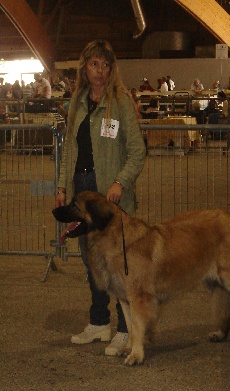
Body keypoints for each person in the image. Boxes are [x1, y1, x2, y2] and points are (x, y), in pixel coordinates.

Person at [55, 39, 146, 356]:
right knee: (91, 260)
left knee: (119, 265)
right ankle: (98, 322)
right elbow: (69, 150)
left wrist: (121, 181)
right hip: (82, 190)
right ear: (84, 67)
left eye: (106, 65)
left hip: (110, 198)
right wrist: (62, 186)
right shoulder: (78, 100)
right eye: (95, 64)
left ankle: (125, 329)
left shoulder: (120, 101)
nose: (100, 71)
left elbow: (137, 152)